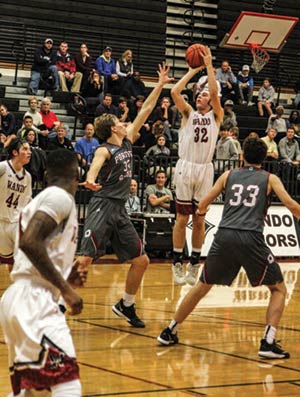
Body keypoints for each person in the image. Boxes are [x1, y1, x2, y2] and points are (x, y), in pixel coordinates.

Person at [157, 137, 300, 360]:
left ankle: (170, 330)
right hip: (251, 237)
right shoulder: (271, 179)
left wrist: (202, 217)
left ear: (242, 156)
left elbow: (202, 204)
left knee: (202, 286)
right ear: (264, 159)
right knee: (278, 289)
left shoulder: (228, 175)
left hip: (223, 235)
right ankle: (267, 342)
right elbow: (291, 205)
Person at [74, 63, 173, 328]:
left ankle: (126, 304)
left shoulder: (127, 140)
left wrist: (161, 83)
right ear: (113, 130)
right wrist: (91, 181)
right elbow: (94, 168)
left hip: (119, 210)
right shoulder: (104, 150)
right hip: (102, 206)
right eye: (119, 121)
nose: (124, 121)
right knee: (84, 259)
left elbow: (147, 109)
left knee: (141, 260)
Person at [0, 149, 85, 397]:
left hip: (25, 296)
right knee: (67, 385)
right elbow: (31, 242)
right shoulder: (59, 197)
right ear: (76, 174)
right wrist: (67, 290)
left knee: (34, 389)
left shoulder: (46, 198)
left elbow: (35, 251)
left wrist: (65, 277)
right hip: (33, 300)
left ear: (47, 174)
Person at [171, 46, 223, 286]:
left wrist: (210, 67)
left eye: (204, 95)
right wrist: (194, 70)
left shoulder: (216, 116)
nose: (201, 96)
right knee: (182, 218)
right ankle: (176, 262)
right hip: (186, 167)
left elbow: (213, 92)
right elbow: (174, 91)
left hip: (205, 169)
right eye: (199, 94)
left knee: (199, 219)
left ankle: (194, 263)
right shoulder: (188, 113)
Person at [0, 138, 32, 266]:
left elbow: (28, 201)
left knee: (20, 260)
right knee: (9, 261)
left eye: (29, 149)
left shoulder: (28, 177)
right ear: (15, 152)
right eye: (25, 149)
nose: (29, 152)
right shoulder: (3, 167)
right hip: (1, 220)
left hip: (16, 222)